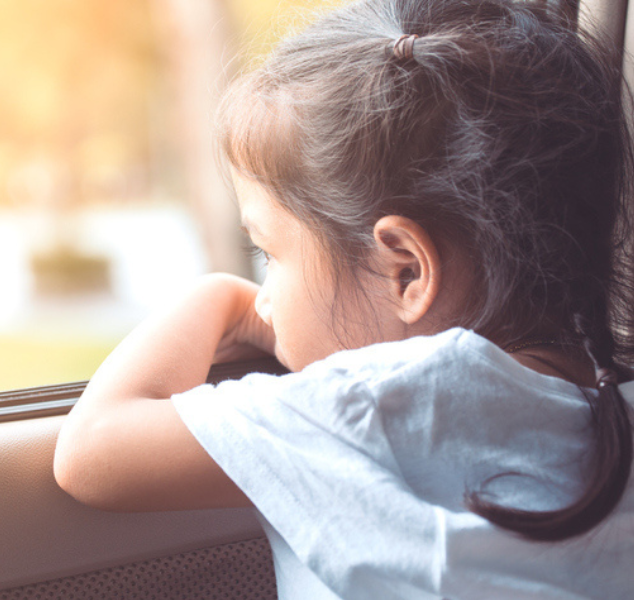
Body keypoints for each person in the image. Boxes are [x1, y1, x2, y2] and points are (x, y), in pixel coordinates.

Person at [53, 0, 634, 597]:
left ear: (405, 271)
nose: (267, 296)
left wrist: (220, 297)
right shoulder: (614, 404)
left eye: (270, 256)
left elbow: (92, 453)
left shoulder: (377, 405)